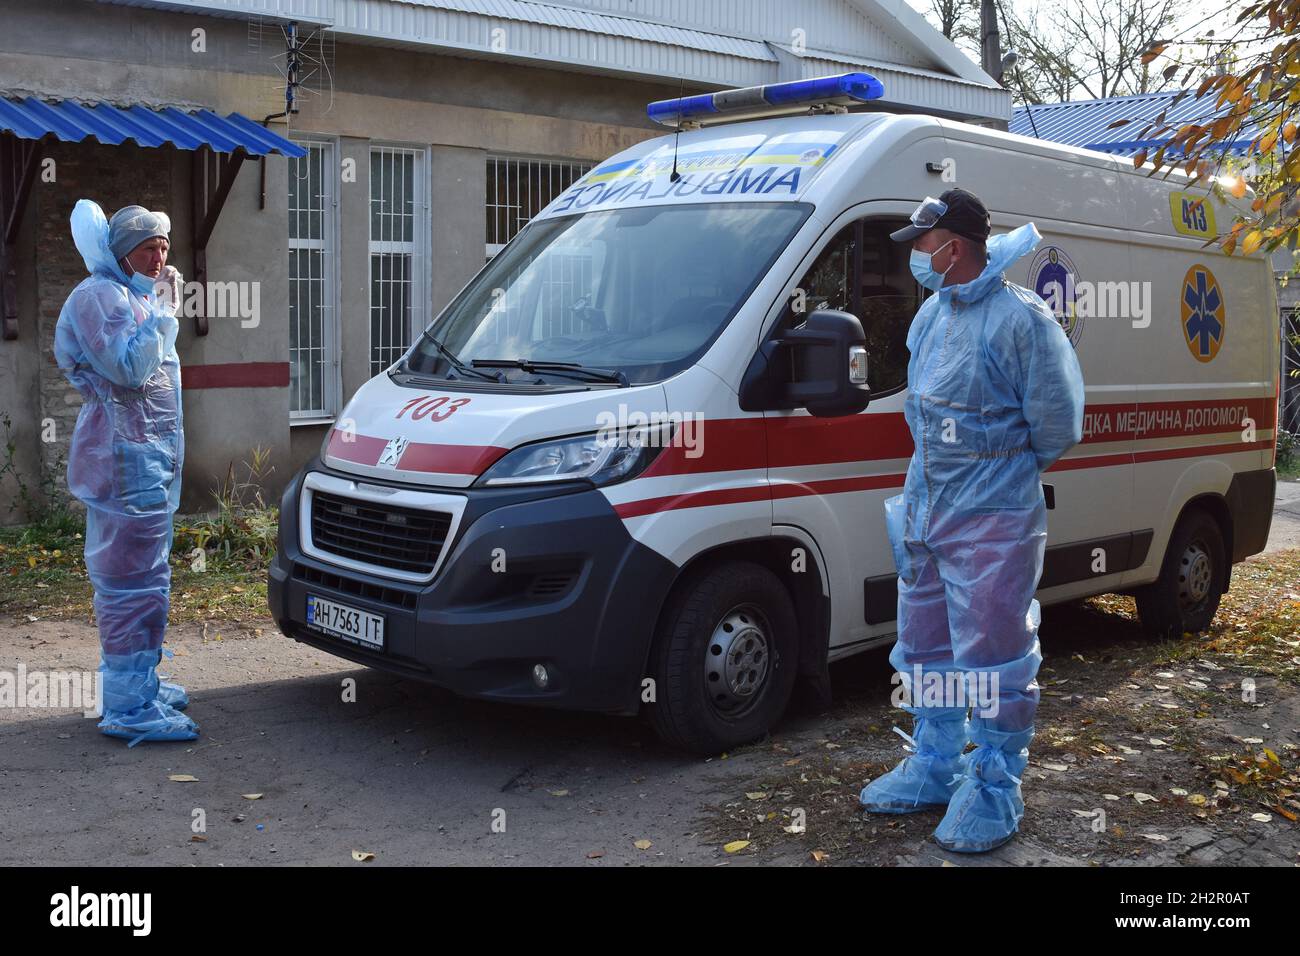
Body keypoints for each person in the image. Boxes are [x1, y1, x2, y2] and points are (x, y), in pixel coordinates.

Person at [858, 188, 1084, 852]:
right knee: (925, 643)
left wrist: (997, 472)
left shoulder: (1023, 321)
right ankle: (934, 763)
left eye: (924, 245)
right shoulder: (931, 317)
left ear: (953, 245)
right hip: (927, 512)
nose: (917, 257)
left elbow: (1057, 424)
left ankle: (992, 785)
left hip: (991, 517)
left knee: (993, 656)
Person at [54, 199, 198, 746]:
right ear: (121, 251)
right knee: (128, 587)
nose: (159, 257)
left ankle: (141, 683)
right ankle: (127, 706)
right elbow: (132, 369)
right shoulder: (99, 296)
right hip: (123, 464)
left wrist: (157, 305)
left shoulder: (133, 296)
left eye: (164, 245)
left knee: (149, 580)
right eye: (147, 247)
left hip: (146, 462)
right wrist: (165, 309)